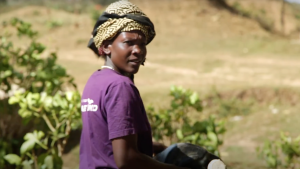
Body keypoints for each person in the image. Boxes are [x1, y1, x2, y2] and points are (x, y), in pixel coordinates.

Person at [80, 1, 226, 169]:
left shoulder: (95, 81)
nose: (138, 50)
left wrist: (153, 148)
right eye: (129, 43)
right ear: (106, 47)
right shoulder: (120, 86)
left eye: (142, 44)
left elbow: (103, 142)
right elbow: (126, 159)